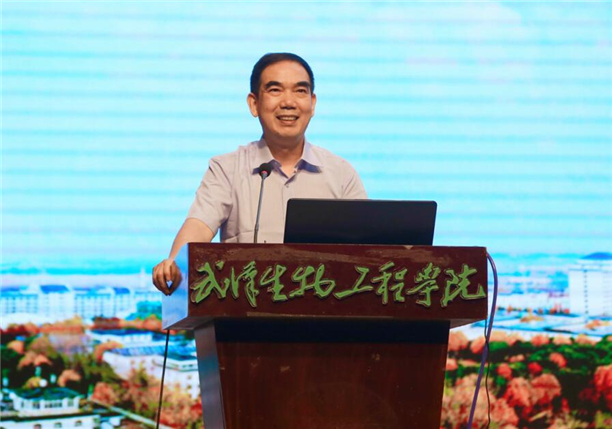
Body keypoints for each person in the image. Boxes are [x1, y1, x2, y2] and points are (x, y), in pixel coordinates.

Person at [152, 53, 367, 294]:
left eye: (300, 91)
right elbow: (199, 226)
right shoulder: (227, 169)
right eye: (275, 90)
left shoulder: (341, 174)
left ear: (312, 103)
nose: (288, 102)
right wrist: (174, 263)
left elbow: (368, 251)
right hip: (245, 310)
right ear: (254, 104)